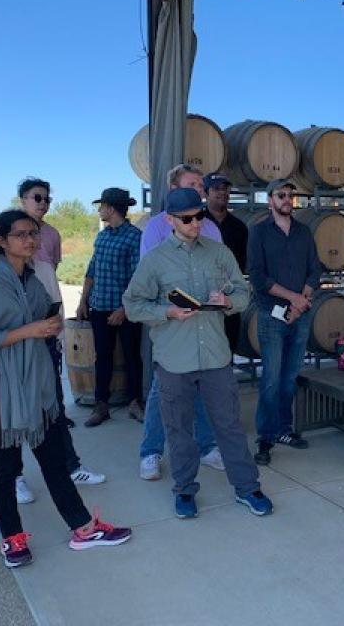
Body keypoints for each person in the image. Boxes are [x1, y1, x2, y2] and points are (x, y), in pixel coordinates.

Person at [0, 210, 132, 569]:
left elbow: (41, 315)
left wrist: (50, 323)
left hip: (36, 386)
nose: (30, 240)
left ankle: (84, 528)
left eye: (33, 234)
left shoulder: (30, 277)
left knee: (55, 461)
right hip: (0, 391)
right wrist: (31, 331)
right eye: (21, 234)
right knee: (6, 466)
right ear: (1, 241)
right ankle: (12, 540)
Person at [123, 188, 273, 519]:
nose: (195, 223)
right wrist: (167, 312)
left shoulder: (219, 253)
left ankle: (247, 488)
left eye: (199, 216)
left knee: (229, 426)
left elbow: (243, 291)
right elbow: (133, 305)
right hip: (174, 360)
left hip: (216, 357)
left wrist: (228, 301)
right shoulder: (155, 260)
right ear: (169, 220)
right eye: (187, 219)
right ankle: (185, 491)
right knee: (178, 429)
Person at [15, 177, 104, 505]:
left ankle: (71, 465)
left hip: (47, 334)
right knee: (18, 409)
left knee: (51, 404)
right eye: (37, 197)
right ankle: (15, 476)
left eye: (47, 198)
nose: (43, 202)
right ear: (23, 199)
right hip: (19, 339)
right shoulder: (8, 233)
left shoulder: (51, 235)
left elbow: (49, 280)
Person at [138, 165, 225, 482]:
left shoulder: (211, 229)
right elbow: (150, 281)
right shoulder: (155, 228)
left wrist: (220, 294)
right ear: (174, 189)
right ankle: (151, 451)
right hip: (173, 325)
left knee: (202, 386)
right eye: (192, 183)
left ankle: (207, 446)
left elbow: (222, 271)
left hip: (205, 324)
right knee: (164, 390)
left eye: (201, 184)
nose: (200, 188)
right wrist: (172, 309)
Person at [247, 178, 322, 466]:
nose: (287, 200)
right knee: (271, 378)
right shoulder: (259, 233)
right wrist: (293, 298)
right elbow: (257, 277)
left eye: (290, 196)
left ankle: (284, 430)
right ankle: (265, 436)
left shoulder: (304, 231)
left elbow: (314, 270)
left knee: (290, 377)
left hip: (299, 315)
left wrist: (303, 300)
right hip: (271, 314)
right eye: (281, 195)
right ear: (270, 201)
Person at [75, 188, 143, 428]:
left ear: (112, 208)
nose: (99, 210)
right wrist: (83, 301)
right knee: (102, 357)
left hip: (125, 310)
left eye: (101, 205)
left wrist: (124, 309)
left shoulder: (135, 237)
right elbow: (91, 270)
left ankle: (135, 402)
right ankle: (100, 405)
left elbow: (138, 278)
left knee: (133, 356)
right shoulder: (102, 236)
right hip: (99, 308)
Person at [203, 171, 248, 352]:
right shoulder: (197, 222)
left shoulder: (239, 227)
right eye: (216, 189)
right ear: (206, 193)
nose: (222, 193)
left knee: (228, 348)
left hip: (228, 299)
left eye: (225, 189)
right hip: (203, 298)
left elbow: (242, 264)